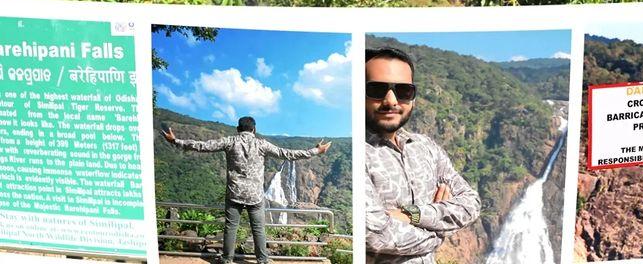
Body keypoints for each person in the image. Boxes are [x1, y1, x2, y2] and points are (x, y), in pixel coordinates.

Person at [365, 45, 481, 264]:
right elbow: (375, 236)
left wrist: (413, 215)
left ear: (413, 98)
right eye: (377, 89)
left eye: (403, 91)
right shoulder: (359, 154)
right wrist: (441, 231)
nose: (391, 100)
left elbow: (471, 203)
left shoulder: (426, 147)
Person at [163, 116, 331, 264]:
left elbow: (203, 146)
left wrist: (175, 141)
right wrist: (317, 150)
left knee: (230, 227)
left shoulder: (230, 141)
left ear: (238, 129)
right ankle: (262, 260)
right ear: (254, 129)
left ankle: (227, 259)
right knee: (258, 228)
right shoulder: (261, 144)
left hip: (234, 193)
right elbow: (288, 153)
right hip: (255, 196)